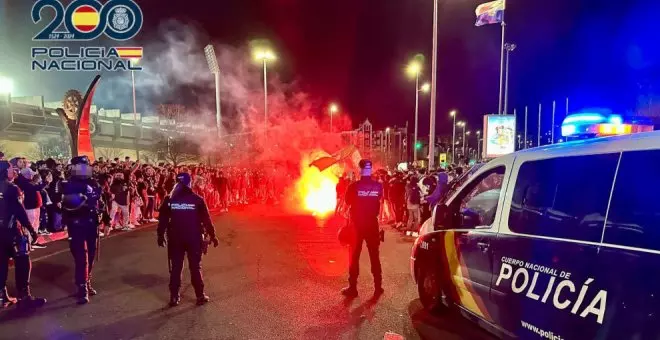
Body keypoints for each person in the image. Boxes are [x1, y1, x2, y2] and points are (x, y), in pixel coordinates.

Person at [157, 173, 219, 307]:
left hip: (175, 238)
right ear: (189, 183)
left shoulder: (169, 199)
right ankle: (200, 296)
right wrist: (213, 235)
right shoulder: (197, 199)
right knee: (195, 267)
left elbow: (162, 219)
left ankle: (174, 297)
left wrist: (160, 235)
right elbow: (206, 220)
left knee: (176, 268)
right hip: (193, 237)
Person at [0, 160, 47, 309]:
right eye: (10, 169)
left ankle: (2, 296)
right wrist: (32, 230)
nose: (13, 172)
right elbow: (19, 212)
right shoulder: (13, 188)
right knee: (23, 261)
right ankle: (24, 296)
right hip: (12, 232)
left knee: (1, 264)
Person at [60, 156, 102, 304]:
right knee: (80, 257)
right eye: (82, 166)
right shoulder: (67, 184)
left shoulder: (93, 182)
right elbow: (69, 204)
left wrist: (105, 217)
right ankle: (82, 287)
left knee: (90, 255)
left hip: (91, 223)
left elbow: (99, 200)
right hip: (76, 224)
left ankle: (86, 281)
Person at [342, 159, 384, 298]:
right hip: (372, 224)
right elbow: (378, 201)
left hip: (357, 225)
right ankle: (378, 287)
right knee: (374, 256)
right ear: (371, 169)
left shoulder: (354, 186)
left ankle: (353, 288)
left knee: (354, 256)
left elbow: (347, 202)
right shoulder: (378, 186)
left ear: (359, 170)